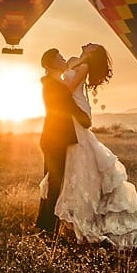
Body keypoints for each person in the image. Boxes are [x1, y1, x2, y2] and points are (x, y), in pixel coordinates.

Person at [47, 43, 137, 249]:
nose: (89, 43)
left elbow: (67, 88)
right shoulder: (75, 61)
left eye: (93, 45)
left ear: (92, 52)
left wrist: (49, 81)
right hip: (70, 112)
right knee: (76, 159)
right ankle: (74, 211)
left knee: (81, 154)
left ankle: (87, 212)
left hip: (76, 111)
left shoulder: (83, 66)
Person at [36, 48, 92, 235]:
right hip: (55, 139)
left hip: (52, 138)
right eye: (60, 58)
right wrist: (85, 119)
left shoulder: (52, 83)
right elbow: (68, 108)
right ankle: (48, 228)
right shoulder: (54, 86)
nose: (63, 59)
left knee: (51, 182)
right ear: (51, 64)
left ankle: (44, 224)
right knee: (54, 183)